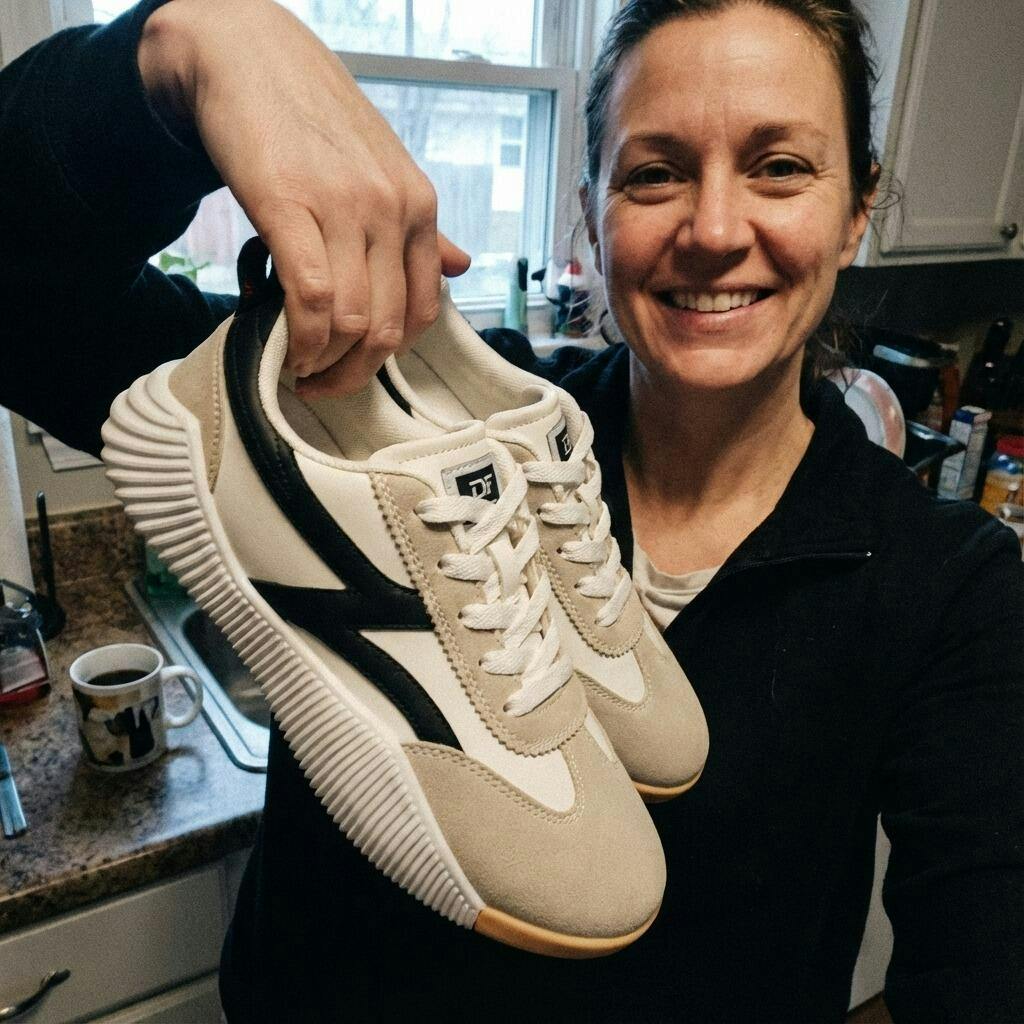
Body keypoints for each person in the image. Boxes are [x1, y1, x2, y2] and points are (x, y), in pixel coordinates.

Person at [2, 1, 1021, 1021]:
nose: (714, 230)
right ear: (591, 211)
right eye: (654, 173)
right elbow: (26, 311)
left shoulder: (951, 582)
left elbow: (977, 978)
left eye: (780, 167)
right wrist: (182, 49)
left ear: (857, 208)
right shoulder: (375, 403)